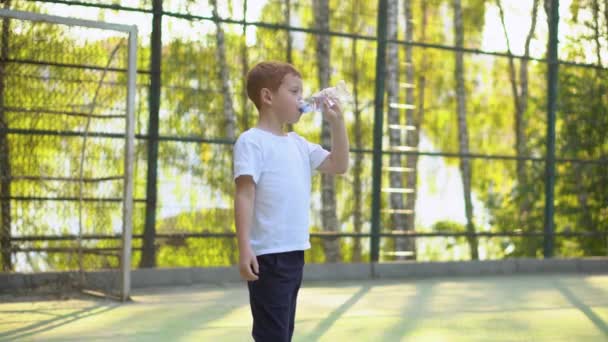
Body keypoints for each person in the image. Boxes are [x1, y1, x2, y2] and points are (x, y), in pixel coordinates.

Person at [233, 61, 349, 341]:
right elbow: (244, 194)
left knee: (283, 332)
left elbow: (339, 164)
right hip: (268, 257)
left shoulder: (299, 144)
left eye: (302, 93)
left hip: (295, 253)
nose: (302, 99)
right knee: (273, 335)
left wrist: (337, 122)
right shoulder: (251, 142)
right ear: (268, 97)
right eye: (294, 91)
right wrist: (245, 247)